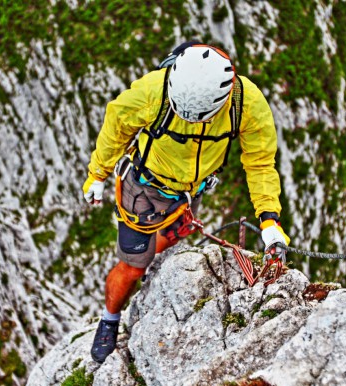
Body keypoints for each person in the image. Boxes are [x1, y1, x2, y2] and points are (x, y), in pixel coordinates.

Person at [82, 42, 290, 364]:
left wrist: (269, 220)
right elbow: (116, 127)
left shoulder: (246, 104)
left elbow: (260, 164)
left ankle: (153, 259)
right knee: (134, 267)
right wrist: (98, 174)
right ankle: (110, 319)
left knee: (169, 242)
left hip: (191, 194)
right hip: (144, 190)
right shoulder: (151, 92)